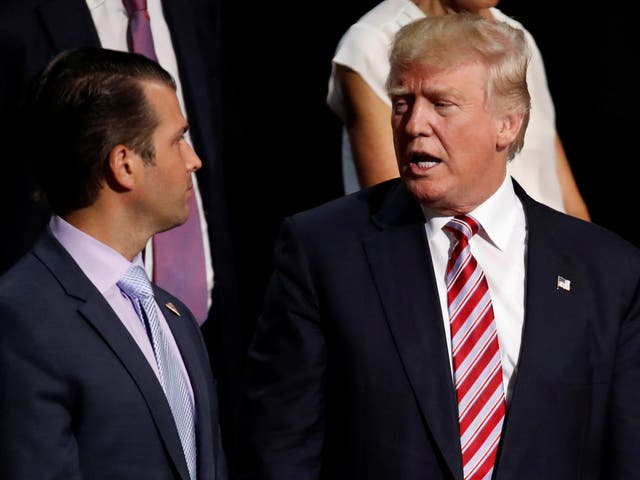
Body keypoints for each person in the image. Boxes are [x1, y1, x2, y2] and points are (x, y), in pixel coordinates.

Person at [239, 13, 640, 479]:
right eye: (402, 103)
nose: (414, 126)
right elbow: (280, 449)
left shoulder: (607, 270)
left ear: (507, 124)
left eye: (442, 104)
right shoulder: (324, 250)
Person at [0, 0, 243, 461]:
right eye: (177, 141)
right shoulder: (21, 322)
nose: (194, 161)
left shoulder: (173, 316)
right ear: (124, 164)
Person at [327, 0, 591, 223]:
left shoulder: (514, 36)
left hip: (544, 263)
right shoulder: (375, 41)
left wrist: (584, 266)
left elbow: (560, 189)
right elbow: (398, 206)